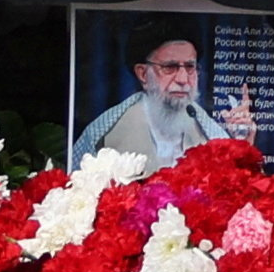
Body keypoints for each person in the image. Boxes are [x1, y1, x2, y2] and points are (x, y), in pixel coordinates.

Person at [76, 25, 241, 168]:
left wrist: (241, 145)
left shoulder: (209, 132)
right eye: (170, 67)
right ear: (143, 74)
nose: (183, 80)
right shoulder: (104, 132)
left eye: (190, 67)